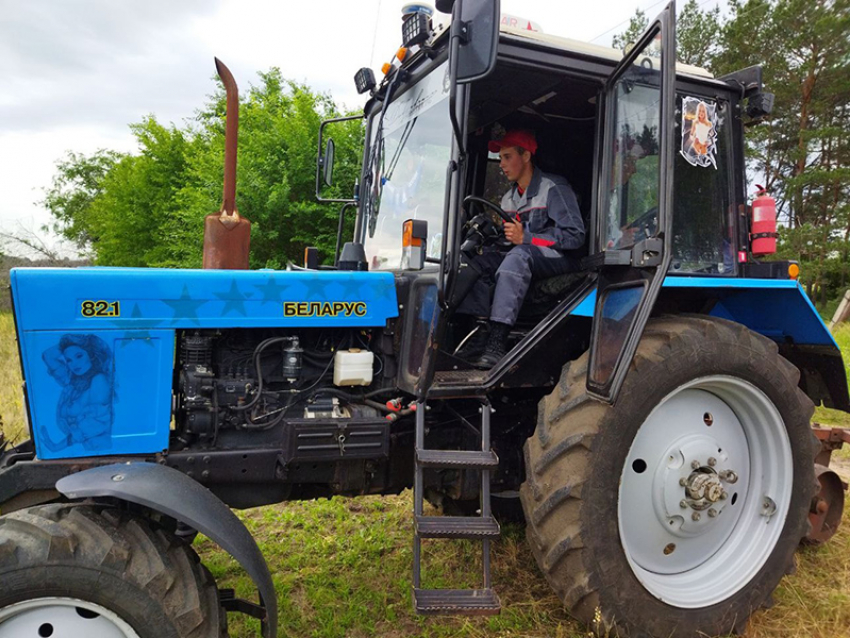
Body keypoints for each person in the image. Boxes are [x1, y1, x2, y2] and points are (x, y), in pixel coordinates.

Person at [456, 130, 585, 368]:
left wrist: (527, 238)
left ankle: (497, 342)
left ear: (525, 156)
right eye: (500, 157)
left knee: (518, 256)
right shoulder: (508, 199)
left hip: (561, 259)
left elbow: (575, 237)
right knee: (475, 262)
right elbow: (512, 242)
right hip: (527, 254)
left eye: (506, 157)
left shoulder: (554, 188)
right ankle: (479, 331)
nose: (502, 164)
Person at [40, 334, 115, 452]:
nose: (74, 364)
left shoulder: (99, 380)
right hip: (86, 450)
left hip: (100, 449)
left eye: (79, 356)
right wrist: (72, 341)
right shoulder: (72, 381)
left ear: (90, 355)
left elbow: (94, 423)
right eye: (69, 360)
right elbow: (48, 356)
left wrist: (58, 446)